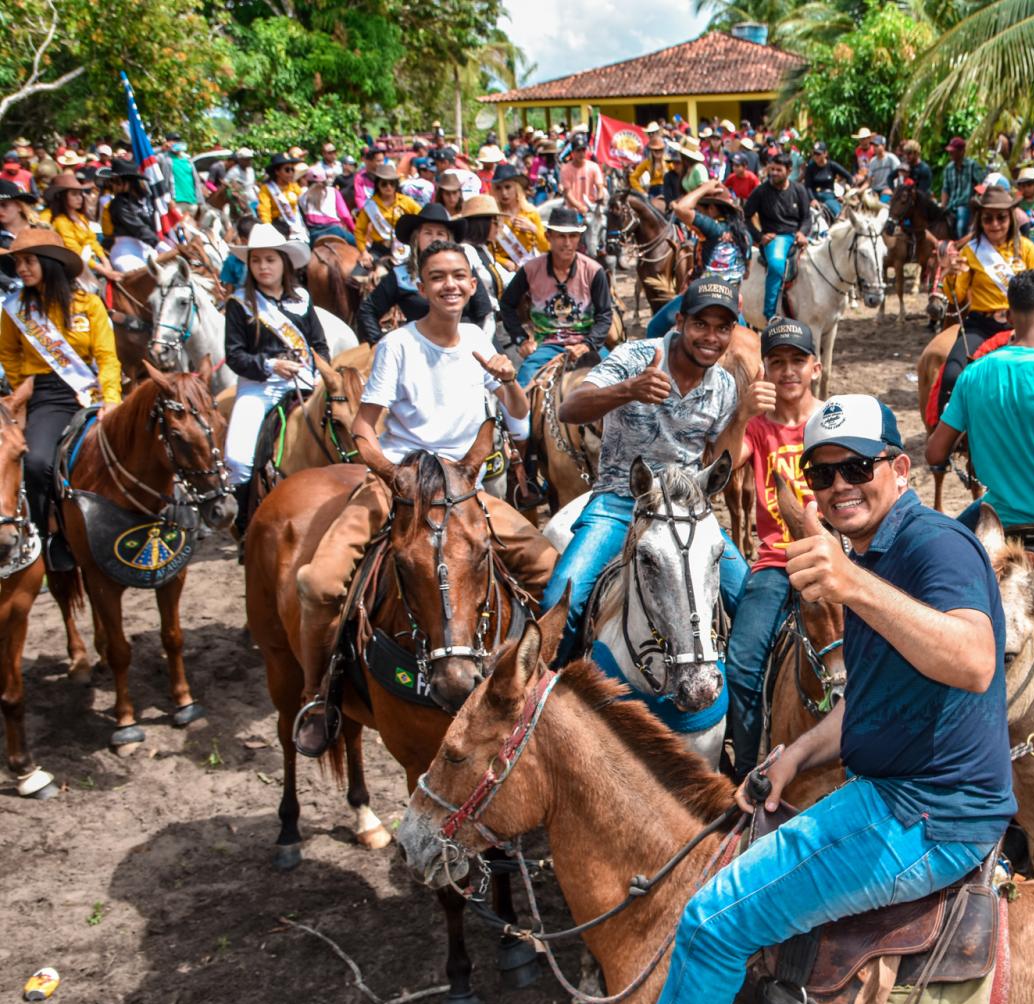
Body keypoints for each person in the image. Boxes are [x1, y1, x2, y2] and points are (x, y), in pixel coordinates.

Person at [617, 391, 1013, 1004]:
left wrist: (850, 586)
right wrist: (796, 753)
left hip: (928, 815)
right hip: (897, 794)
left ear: (900, 469)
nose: (837, 488)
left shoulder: (934, 547)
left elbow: (975, 662)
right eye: (822, 475)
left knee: (713, 922)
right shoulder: (869, 553)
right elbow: (870, 700)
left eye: (856, 469)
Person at [291, 239, 557, 757]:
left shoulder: (480, 338)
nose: (449, 285)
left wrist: (510, 382)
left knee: (552, 569)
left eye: (459, 275)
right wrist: (393, 475)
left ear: (473, 284)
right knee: (319, 582)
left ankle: (544, 686)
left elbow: (519, 423)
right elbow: (365, 432)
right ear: (419, 284)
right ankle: (317, 694)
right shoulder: (397, 346)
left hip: (463, 489)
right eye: (437, 276)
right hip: (401, 485)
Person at [545, 276, 748, 659]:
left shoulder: (723, 385)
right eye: (701, 324)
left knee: (747, 597)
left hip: (688, 507)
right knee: (561, 598)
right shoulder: (635, 356)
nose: (711, 337)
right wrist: (629, 389)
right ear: (680, 322)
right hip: (620, 502)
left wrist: (743, 417)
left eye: (722, 328)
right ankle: (552, 692)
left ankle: (741, 707)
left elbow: (719, 457)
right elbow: (570, 408)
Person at [718, 318, 823, 780]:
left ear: (815, 368)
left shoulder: (831, 420)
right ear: (765, 370)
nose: (787, 371)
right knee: (741, 665)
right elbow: (715, 468)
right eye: (777, 362)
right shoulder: (758, 429)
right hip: (777, 562)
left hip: (835, 557)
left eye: (797, 361)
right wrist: (739, 414)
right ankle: (745, 772)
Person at [929, 269, 1034, 528]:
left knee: (948, 535)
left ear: (1008, 316)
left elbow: (934, 453)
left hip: (998, 521)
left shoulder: (972, 375)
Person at [0, 229, 121, 536]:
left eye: (29, 261)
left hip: (89, 390)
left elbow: (107, 357)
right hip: (44, 396)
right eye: (18, 263)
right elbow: (8, 352)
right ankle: (45, 538)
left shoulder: (89, 304)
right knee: (38, 463)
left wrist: (111, 398)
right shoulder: (14, 309)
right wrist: (22, 385)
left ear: (50, 262)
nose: (22, 269)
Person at [222, 226, 328, 490]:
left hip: (306, 383)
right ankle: (245, 519)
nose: (263, 267)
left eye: (270, 260)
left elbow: (319, 345)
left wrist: (316, 376)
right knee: (237, 459)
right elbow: (234, 356)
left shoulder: (302, 299)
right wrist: (271, 365)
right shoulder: (239, 303)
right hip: (260, 387)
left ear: (284, 263)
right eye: (256, 260)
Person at [935, 185, 1034, 412]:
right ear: (980, 220)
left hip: (1022, 328)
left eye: (1001, 218)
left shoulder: (1028, 250)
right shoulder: (971, 251)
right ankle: (946, 438)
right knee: (952, 373)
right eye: (988, 219)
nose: (995, 224)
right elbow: (959, 296)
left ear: (1011, 218)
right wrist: (951, 274)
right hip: (981, 326)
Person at [501, 205, 614, 387]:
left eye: (573, 236)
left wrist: (588, 344)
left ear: (579, 238)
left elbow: (605, 314)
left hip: (586, 343)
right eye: (561, 236)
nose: (567, 242)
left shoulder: (594, 271)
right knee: (523, 388)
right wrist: (520, 339)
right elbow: (506, 304)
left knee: (619, 383)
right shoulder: (530, 269)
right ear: (548, 237)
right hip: (546, 345)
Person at [357, 202, 494, 344]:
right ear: (417, 238)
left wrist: (472, 346)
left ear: (448, 238)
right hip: (419, 351)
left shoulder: (464, 270)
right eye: (428, 233)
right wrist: (379, 343)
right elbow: (368, 310)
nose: (434, 239)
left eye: (440, 233)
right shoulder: (401, 275)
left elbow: (483, 311)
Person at [647, 181, 752, 339]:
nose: (698, 213)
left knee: (654, 328)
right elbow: (746, 273)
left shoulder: (713, 227)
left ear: (711, 209)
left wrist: (705, 188)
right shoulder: (745, 235)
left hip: (703, 295)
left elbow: (680, 208)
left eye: (700, 210)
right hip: (731, 299)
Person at [744, 150, 812, 321]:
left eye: (778, 170)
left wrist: (803, 233)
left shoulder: (799, 190)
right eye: (771, 169)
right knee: (775, 265)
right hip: (776, 238)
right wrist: (759, 237)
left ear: (789, 170)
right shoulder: (761, 191)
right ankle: (771, 313)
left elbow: (806, 218)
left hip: (796, 237)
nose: (773, 173)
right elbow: (745, 216)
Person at [43, 172, 119, 286]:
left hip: (96, 263)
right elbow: (76, 253)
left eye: (80, 194)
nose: (80, 198)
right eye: (74, 194)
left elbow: (92, 241)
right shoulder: (60, 222)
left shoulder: (81, 217)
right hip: (79, 270)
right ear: (62, 196)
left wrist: (105, 260)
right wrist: (104, 270)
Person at [105, 159, 176, 273]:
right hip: (126, 253)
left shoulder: (144, 200)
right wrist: (158, 244)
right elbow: (137, 228)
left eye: (115, 181)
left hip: (148, 249)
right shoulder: (118, 204)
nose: (112, 185)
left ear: (128, 182)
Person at [352, 164, 420, 265]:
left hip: (405, 248)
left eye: (392, 183)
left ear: (396, 184)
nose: (388, 187)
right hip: (379, 249)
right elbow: (359, 230)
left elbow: (421, 218)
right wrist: (364, 252)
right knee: (357, 278)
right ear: (378, 185)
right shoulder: (370, 206)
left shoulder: (406, 201)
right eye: (384, 184)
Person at [488, 162, 549, 271]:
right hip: (503, 270)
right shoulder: (492, 216)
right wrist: (504, 262)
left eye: (508, 187)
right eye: (498, 188)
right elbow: (487, 251)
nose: (504, 193)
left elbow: (545, 247)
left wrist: (533, 229)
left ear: (516, 188)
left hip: (530, 267)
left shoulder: (530, 213)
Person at [297, 166, 356, 245]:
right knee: (362, 248)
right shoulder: (333, 191)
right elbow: (345, 216)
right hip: (335, 230)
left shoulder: (302, 197)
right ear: (324, 180)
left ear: (307, 181)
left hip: (314, 235)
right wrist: (354, 231)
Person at [0, 181, 40, 294]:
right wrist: (12, 285)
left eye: (4, 205)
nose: (0, 210)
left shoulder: (41, 229)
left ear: (19, 206)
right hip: (6, 296)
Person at [940, 136, 983, 237]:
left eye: (953, 151)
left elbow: (981, 185)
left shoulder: (972, 165)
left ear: (962, 151)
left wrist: (976, 199)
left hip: (965, 205)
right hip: (951, 205)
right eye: (950, 151)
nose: (950, 154)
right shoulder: (948, 168)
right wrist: (943, 205)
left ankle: (961, 248)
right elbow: (945, 189)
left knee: (961, 226)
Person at [257, 154, 306, 238]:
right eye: (287, 170)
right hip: (278, 224)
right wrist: (268, 228)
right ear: (277, 172)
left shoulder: (294, 186)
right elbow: (265, 210)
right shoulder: (267, 189)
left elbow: (304, 200)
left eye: (292, 170)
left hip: (296, 223)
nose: (291, 173)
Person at [559, 133, 605, 222]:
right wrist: (580, 207)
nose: (581, 153)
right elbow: (567, 193)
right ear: (573, 153)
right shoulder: (565, 169)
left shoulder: (594, 166)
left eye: (583, 150)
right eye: (578, 151)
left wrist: (598, 202)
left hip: (592, 208)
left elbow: (600, 187)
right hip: (573, 210)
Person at [802, 142, 851, 218]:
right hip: (814, 196)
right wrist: (812, 199)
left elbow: (849, 177)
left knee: (839, 215)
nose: (815, 156)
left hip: (829, 196)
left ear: (825, 154)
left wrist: (844, 195)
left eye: (818, 154)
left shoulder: (832, 165)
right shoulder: (810, 167)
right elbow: (808, 186)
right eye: (814, 153)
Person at [166, 139, 199, 220]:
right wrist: (161, 148)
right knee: (177, 229)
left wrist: (199, 200)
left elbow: (196, 181)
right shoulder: (166, 159)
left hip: (192, 202)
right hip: (177, 202)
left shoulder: (188, 160)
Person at [630, 131, 670, 199]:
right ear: (651, 150)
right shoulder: (647, 162)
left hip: (668, 190)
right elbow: (633, 177)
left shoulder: (669, 161)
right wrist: (642, 192)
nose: (657, 152)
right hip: (653, 192)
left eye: (660, 150)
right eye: (655, 150)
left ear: (663, 150)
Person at [861, 135, 902, 200]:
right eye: (873, 146)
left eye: (877, 146)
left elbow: (901, 175)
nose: (875, 148)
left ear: (883, 146)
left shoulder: (891, 159)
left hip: (888, 190)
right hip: (875, 191)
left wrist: (893, 190)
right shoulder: (872, 161)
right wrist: (859, 191)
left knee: (883, 204)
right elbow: (868, 181)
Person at [224, 148, 259, 215]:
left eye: (250, 159)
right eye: (246, 159)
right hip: (242, 202)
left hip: (254, 198)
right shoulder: (234, 172)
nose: (249, 161)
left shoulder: (250, 170)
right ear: (240, 160)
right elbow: (226, 184)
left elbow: (253, 183)